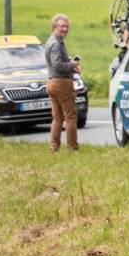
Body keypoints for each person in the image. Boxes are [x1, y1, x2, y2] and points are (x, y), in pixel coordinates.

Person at [44, 14, 80, 153]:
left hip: (53, 82)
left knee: (57, 118)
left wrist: (72, 66)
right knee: (70, 116)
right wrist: (72, 64)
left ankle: (54, 147)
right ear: (54, 27)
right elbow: (57, 65)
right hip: (61, 82)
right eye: (61, 26)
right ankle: (72, 147)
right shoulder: (55, 44)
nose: (65, 29)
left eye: (66, 26)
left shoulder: (53, 41)